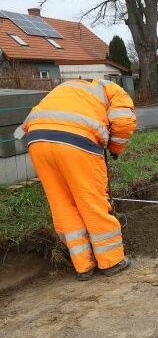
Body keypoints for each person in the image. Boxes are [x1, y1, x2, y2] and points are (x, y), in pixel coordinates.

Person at [15, 79, 137, 280]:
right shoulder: (114, 90)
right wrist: (115, 148)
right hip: (77, 143)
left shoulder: (69, 87)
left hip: (36, 142)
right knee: (91, 201)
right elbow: (123, 122)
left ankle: (83, 266)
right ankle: (111, 261)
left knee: (62, 203)